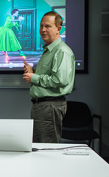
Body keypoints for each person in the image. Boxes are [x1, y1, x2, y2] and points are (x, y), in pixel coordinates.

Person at [22, 11, 75, 143]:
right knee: (38, 149)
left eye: (48, 26)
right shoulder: (49, 50)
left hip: (49, 106)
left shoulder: (61, 51)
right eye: (41, 26)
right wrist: (32, 72)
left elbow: (60, 80)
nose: (43, 30)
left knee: (47, 150)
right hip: (42, 107)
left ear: (58, 29)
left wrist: (33, 77)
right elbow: (51, 76)